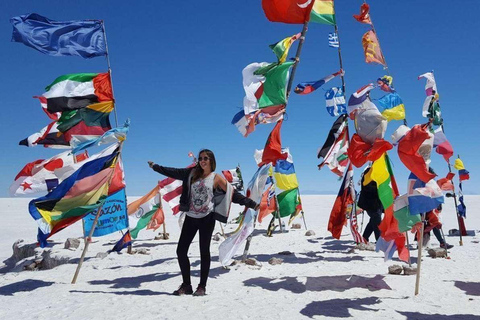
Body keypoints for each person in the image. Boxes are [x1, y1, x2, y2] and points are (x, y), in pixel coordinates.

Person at [148, 149, 258, 296]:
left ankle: (202, 287)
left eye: (205, 158)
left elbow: (233, 195)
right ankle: (186, 285)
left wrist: (251, 204)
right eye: (200, 158)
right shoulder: (191, 173)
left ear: (211, 160)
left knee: (203, 252)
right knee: (181, 251)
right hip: (191, 217)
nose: (202, 161)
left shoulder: (216, 178)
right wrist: (156, 167)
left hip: (207, 218)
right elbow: (173, 172)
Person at [357, 166, 384, 243]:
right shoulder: (369, 173)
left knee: (373, 221)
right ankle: (380, 241)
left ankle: (364, 238)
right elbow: (368, 188)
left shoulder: (379, 173)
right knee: (377, 221)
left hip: (376, 203)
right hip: (371, 203)